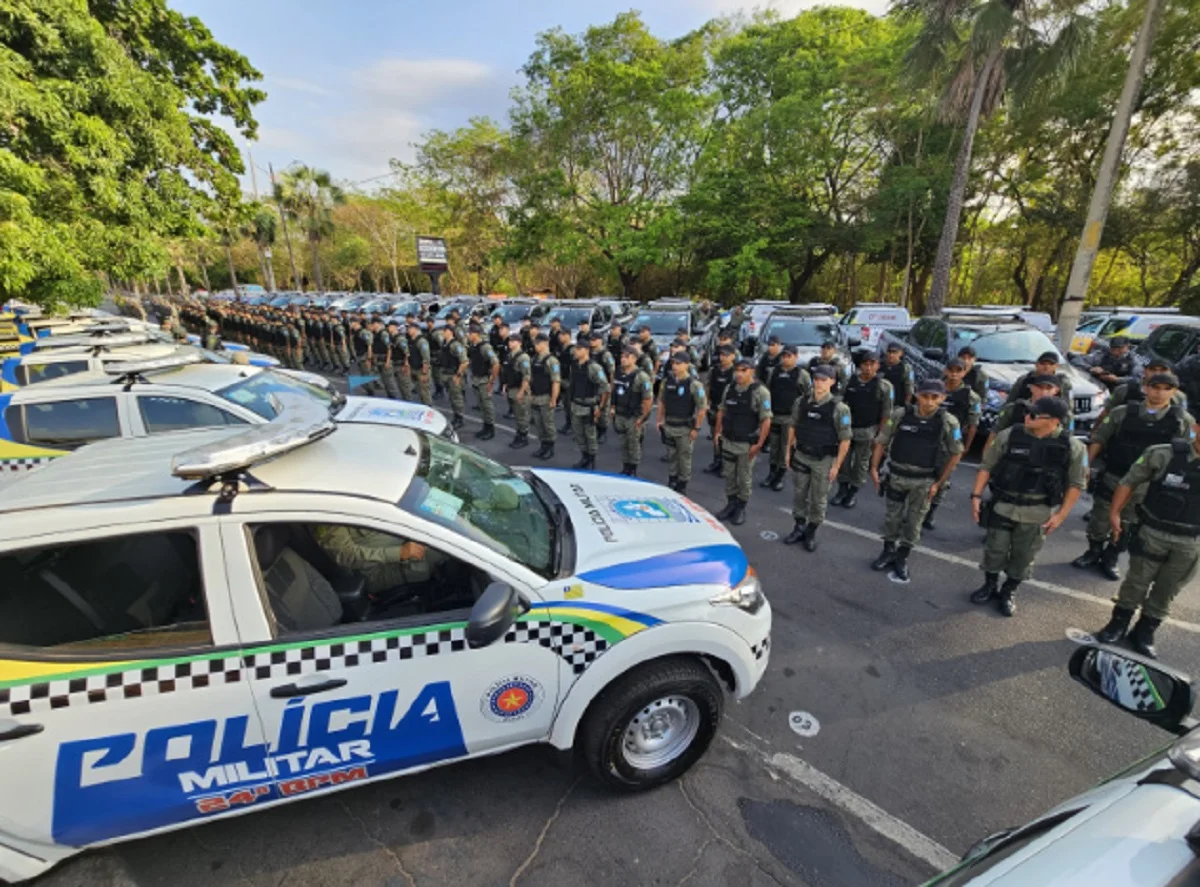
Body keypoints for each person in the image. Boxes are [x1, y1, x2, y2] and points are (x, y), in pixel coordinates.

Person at [969, 396, 1088, 616]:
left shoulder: (1073, 447)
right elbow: (987, 465)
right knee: (995, 550)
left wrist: (1061, 515)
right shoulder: (1010, 435)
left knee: (1023, 557)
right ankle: (989, 585)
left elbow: (1076, 483)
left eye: (1033, 415)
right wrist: (976, 495)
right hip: (1003, 505)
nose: (1027, 417)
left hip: (1038, 512)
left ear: (1053, 421)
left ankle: (1008, 591)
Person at [1072, 372, 1192, 580]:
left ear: (1174, 392)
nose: (1159, 393)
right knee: (1100, 518)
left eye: (1166, 388)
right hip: (1115, 475)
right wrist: (1086, 466)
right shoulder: (1122, 413)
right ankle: (1093, 551)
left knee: (1130, 524)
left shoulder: (1182, 420)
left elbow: (1187, 453)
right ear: (1145, 388)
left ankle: (1111, 557)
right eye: (1155, 387)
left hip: (1148, 484)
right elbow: (1099, 439)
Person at [1093, 427, 1200, 658]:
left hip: (1191, 541)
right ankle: (1118, 624)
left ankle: (1145, 631)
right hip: (1154, 533)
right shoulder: (1164, 454)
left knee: (1168, 588)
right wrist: (1115, 513)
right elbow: (1129, 481)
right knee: (1136, 582)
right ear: (1196, 428)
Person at [869, 379, 964, 582]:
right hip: (897, 475)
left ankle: (902, 557)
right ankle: (887, 551)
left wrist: (938, 483)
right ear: (917, 395)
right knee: (892, 518)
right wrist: (874, 468)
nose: (928, 401)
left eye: (934, 397)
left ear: (942, 398)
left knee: (914, 522)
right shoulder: (900, 415)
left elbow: (956, 454)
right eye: (924, 396)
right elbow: (881, 441)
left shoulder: (948, 422)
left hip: (924, 481)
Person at [783, 366, 851, 551]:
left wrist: (837, 466)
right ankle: (799, 527)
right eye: (817, 378)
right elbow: (792, 427)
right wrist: (788, 452)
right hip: (802, 455)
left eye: (824, 379)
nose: (819, 383)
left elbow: (845, 440)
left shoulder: (839, 408)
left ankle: (811, 531)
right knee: (799, 494)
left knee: (818, 499)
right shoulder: (801, 402)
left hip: (823, 460)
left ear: (832, 382)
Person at [925, 359, 982, 529]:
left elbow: (973, 424)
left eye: (959, 370)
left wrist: (966, 446)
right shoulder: (934, 388)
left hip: (950, 444)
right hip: (928, 439)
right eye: (951, 370)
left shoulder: (971, 396)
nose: (954, 374)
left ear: (964, 372)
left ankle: (930, 513)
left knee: (942, 480)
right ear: (945, 370)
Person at [715, 358, 772, 525]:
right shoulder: (730, 388)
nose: (739, 374)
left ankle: (741, 507)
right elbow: (722, 410)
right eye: (737, 370)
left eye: (744, 370)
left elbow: (766, 420)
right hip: (728, 439)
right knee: (729, 475)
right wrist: (717, 432)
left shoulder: (760, 392)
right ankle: (731, 504)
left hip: (746, 444)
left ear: (752, 371)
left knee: (744, 478)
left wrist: (759, 444)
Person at [834, 349, 893, 509]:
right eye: (865, 364)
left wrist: (880, 436)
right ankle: (842, 489)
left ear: (878, 366)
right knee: (843, 461)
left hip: (867, 431)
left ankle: (853, 492)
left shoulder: (883, 386)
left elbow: (886, 413)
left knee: (861, 463)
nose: (868, 368)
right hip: (847, 429)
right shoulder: (850, 382)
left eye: (872, 364)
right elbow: (840, 402)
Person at [314, 525, 444, 596]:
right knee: (441, 551)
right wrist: (398, 553)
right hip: (378, 569)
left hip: (406, 537)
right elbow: (346, 555)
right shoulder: (326, 516)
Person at [760, 346, 812, 492]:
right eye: (784, 356)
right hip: (775, 415)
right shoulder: (774, 372)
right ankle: (771, 473)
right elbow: (768, 391)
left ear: (796, 357)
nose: (785, 359)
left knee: (785, 448)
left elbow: (808, 396)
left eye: (789, 356)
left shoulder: (802, 375)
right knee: (774, 447)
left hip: (790, 418)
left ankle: (780, 476)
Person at [657, 352, 707, 494]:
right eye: (673, 363)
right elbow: (661, 401)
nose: (675, 366)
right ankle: (672, 479)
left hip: (684, 427)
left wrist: (696, 428)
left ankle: (682, 484)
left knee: (684, 457)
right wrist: (659, 420)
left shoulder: (694, 385)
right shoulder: (667, 382)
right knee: (671, 455)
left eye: (678, 363)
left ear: (686, 365)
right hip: (669, 425)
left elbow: (702, 408)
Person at [984, 374, 1065, 449]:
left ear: (1056, 390)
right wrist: (987, 456)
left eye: (1048, 388)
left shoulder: (1061, 413)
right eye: (1040, 387)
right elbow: (995, 433)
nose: (1043, 392)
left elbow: (1066, 438)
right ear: (1032, 388)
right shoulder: (1015, 408)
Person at [611, 346, 654, 476]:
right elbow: (614, 390)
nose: (623, 359)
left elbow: (647, 399)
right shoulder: (618, 372)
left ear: (634, 359)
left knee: (633, 443)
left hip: (633, 415)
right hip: (620, 413)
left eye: (627, 357)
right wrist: (612, 407)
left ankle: (633, 469)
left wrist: (643, 417)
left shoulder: (641, 377)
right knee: (623, 442)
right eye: (622, 356)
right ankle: (625, 467)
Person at [568, 340, 610, 470]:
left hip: (589, 406)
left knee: (590, 435)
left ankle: (592, 461)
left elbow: (605, 388)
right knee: (579, 434)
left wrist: (601, 407)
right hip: (576, 405)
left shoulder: (594, 367)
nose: (576, 351)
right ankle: (584, 457)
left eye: (579, 349)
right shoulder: (574, 365)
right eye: (576, 348)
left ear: (586, 350)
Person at [1103, 357, 1187, 414]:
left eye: (1163, 370)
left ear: (1171, 373)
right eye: (1153, 370)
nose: (1157, 373)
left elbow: (1185, 424)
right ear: (1145, 371)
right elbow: (1106, 414)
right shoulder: (1124, 390)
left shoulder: (1178, 397)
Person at [704, 345, 737, 474]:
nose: (723, 358)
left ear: (733, 356)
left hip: (729, 410)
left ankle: (726, 465)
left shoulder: (735, 373)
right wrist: (707, 403)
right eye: (722, 355)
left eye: (726, 355)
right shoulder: (714, 370)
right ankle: (717, 460)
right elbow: (707, 386)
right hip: (714, 407)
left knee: (728, 438)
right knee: (715, 436)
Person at [529, 334, 562, 460]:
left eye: (538, 344)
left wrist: (554, 399)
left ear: (545, 344)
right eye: (535, 344)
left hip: (546, 396)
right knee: (538, 423)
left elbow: (555, 381)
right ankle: (543, 446)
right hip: (536, 396)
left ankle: (550, 448)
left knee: (548, 424)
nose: (535, 346)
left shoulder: (551, 361)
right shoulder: (535, 359)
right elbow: (532, 378)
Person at [466, 325, 500, 440]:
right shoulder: (473, 346)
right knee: (481, 405)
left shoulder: (485, 347)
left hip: (484, 380)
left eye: (470, 333)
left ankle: (490, 429)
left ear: (476, 334)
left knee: (487, 405)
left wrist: (492, 381)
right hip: (476, 379)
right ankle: (485, 427)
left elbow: (495, 364)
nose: (468, 335)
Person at [502, 334, 533, 448]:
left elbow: (526, 376)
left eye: (513, 341)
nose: (511, 343)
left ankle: (523, 437)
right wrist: (505, 385)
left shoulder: (523, 357)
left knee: (522, 415)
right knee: (517, 414)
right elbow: (507, 372)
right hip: (511, 388)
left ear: (519, 343)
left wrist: (521, 391)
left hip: (519, 389)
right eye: (510, 341)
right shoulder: (509, 355)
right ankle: (519, 434)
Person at [438, 325, 469, 429]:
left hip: (453, 375)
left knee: (457, 398)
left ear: (450, 332)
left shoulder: (456, 345)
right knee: (451, 397)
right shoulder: (445, 344)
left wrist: (458, 375)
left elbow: (464, 362)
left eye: (445, 331)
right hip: (446, 374)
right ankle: (456, 416)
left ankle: (460, 418)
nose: (443, 333)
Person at [590, 331, 617, 444]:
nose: (592, 342)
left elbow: (612, 372)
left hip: (603, 386)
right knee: (593, 408)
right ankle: (594, 430)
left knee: (603, 410)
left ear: (600, 340)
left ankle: (602, 432)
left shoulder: (606, 354)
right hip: (592, 385)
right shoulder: (590, 353)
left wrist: (611, 387)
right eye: (591, 340)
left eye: (594, 340)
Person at [406, 322, 433, 405]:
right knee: (420, 392)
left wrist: (424, 373)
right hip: (415, 368)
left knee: (424, 393)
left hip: (421, 370)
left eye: (410, 328)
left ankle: (429, 408)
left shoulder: (421, 341)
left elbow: (426, 358)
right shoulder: (411, 341)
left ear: (416, 329)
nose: (408, 330)